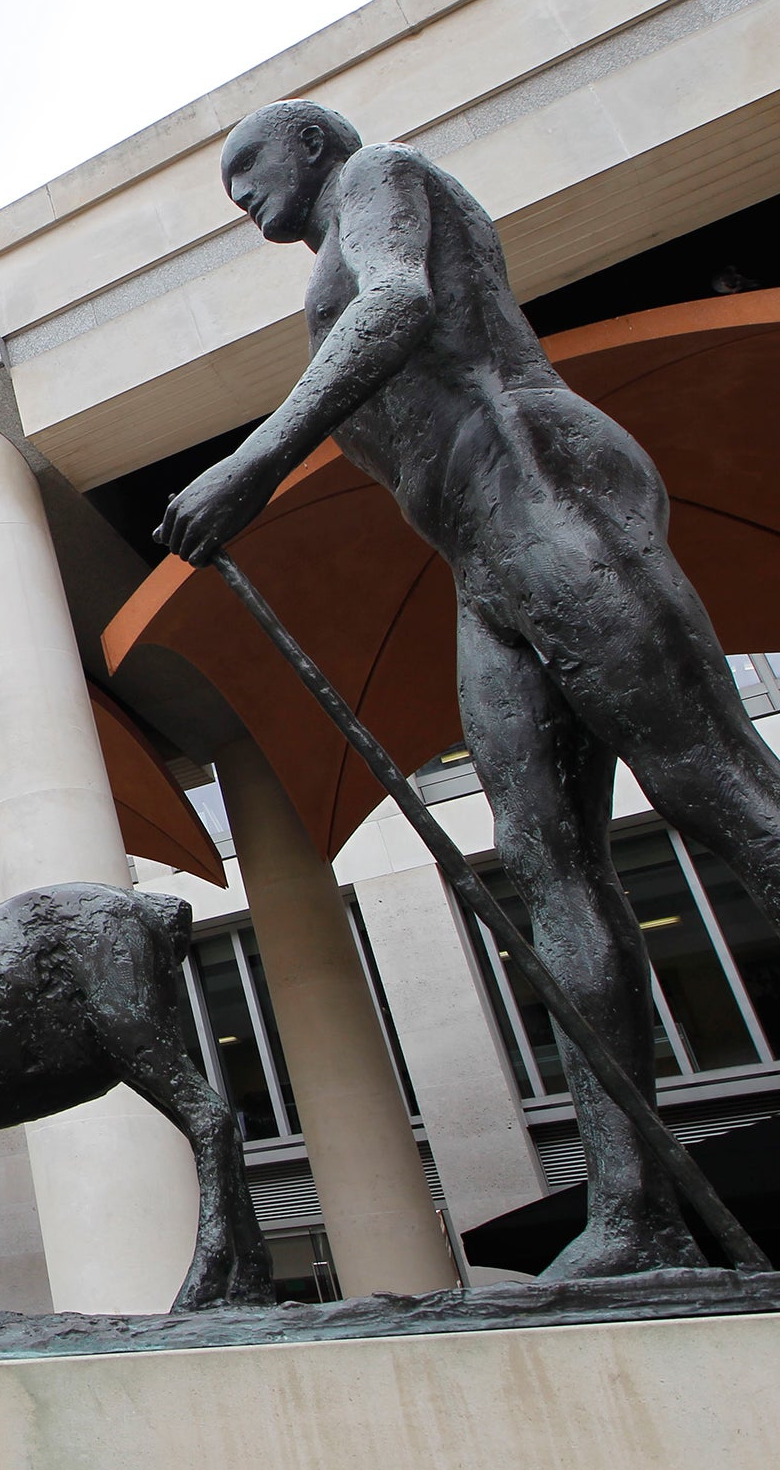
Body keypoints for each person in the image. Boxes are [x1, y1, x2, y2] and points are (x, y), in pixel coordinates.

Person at [158, 98, 780, 1279]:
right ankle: (632, 1220)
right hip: (478, 558)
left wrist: (250, 465)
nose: (238, 200)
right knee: (545, 865)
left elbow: (397, 306)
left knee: (718, 789)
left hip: (545, 493)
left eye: (246, 169)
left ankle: (634, 1213)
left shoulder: (381, 177)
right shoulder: (327, 252)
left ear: (309, 142)